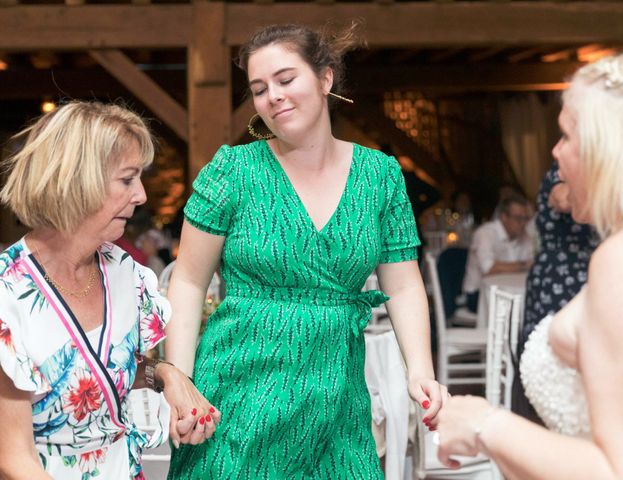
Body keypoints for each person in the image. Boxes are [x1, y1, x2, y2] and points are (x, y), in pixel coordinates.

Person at [165, 23, 447, 479]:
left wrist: (420, 370)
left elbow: (404, 281)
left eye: (285, 79)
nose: (272, 96)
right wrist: (180, 381)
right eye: (259, 89)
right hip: (236, 397)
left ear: (325, 78)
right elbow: (189, 279)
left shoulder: (381, 176)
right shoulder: (233, 170)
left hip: (336, 398)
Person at [435, 52, 623, 478]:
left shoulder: (622, 259)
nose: (554, 151)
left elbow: (621, 471)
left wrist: (482, 423)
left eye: (566, 135)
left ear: (607, 149)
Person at [0, 101, 220, 480]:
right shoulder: (8, 294)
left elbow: (100, 369)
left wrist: (166, 376)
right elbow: (13, 459)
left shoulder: (124, 273)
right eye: (126, 179)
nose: (141, 196)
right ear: (77, 180)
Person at [512, 161, 598, 423]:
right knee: (553, 351)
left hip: (586, 272)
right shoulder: (560, 172)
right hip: (559, 275)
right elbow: (562, 199)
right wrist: (611, 187)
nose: (556, 149)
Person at [461, 194, 534, 312]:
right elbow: (489, 268)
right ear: (504, 217)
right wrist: (523, 265)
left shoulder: (524, 236)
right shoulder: (485, 233)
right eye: (518, 218)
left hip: (512, 294)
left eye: (526, 219)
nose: (523, 223)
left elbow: (533, 262)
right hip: (479, 294)